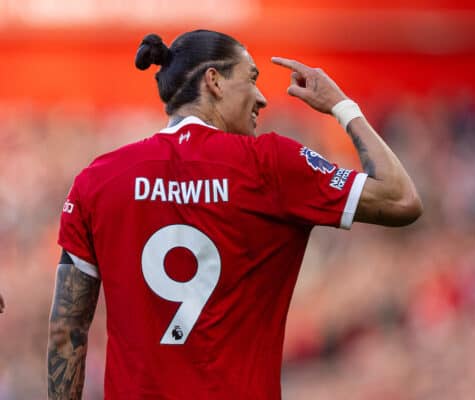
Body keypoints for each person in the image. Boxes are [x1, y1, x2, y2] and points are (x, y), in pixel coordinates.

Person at [47, 29, 422, 399]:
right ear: (214, 81)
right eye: (252, 79)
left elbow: (67, 330)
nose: (261, 98)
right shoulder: (271, 165)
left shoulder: (99, 179)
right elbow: (401, 199)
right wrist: (342, 106)